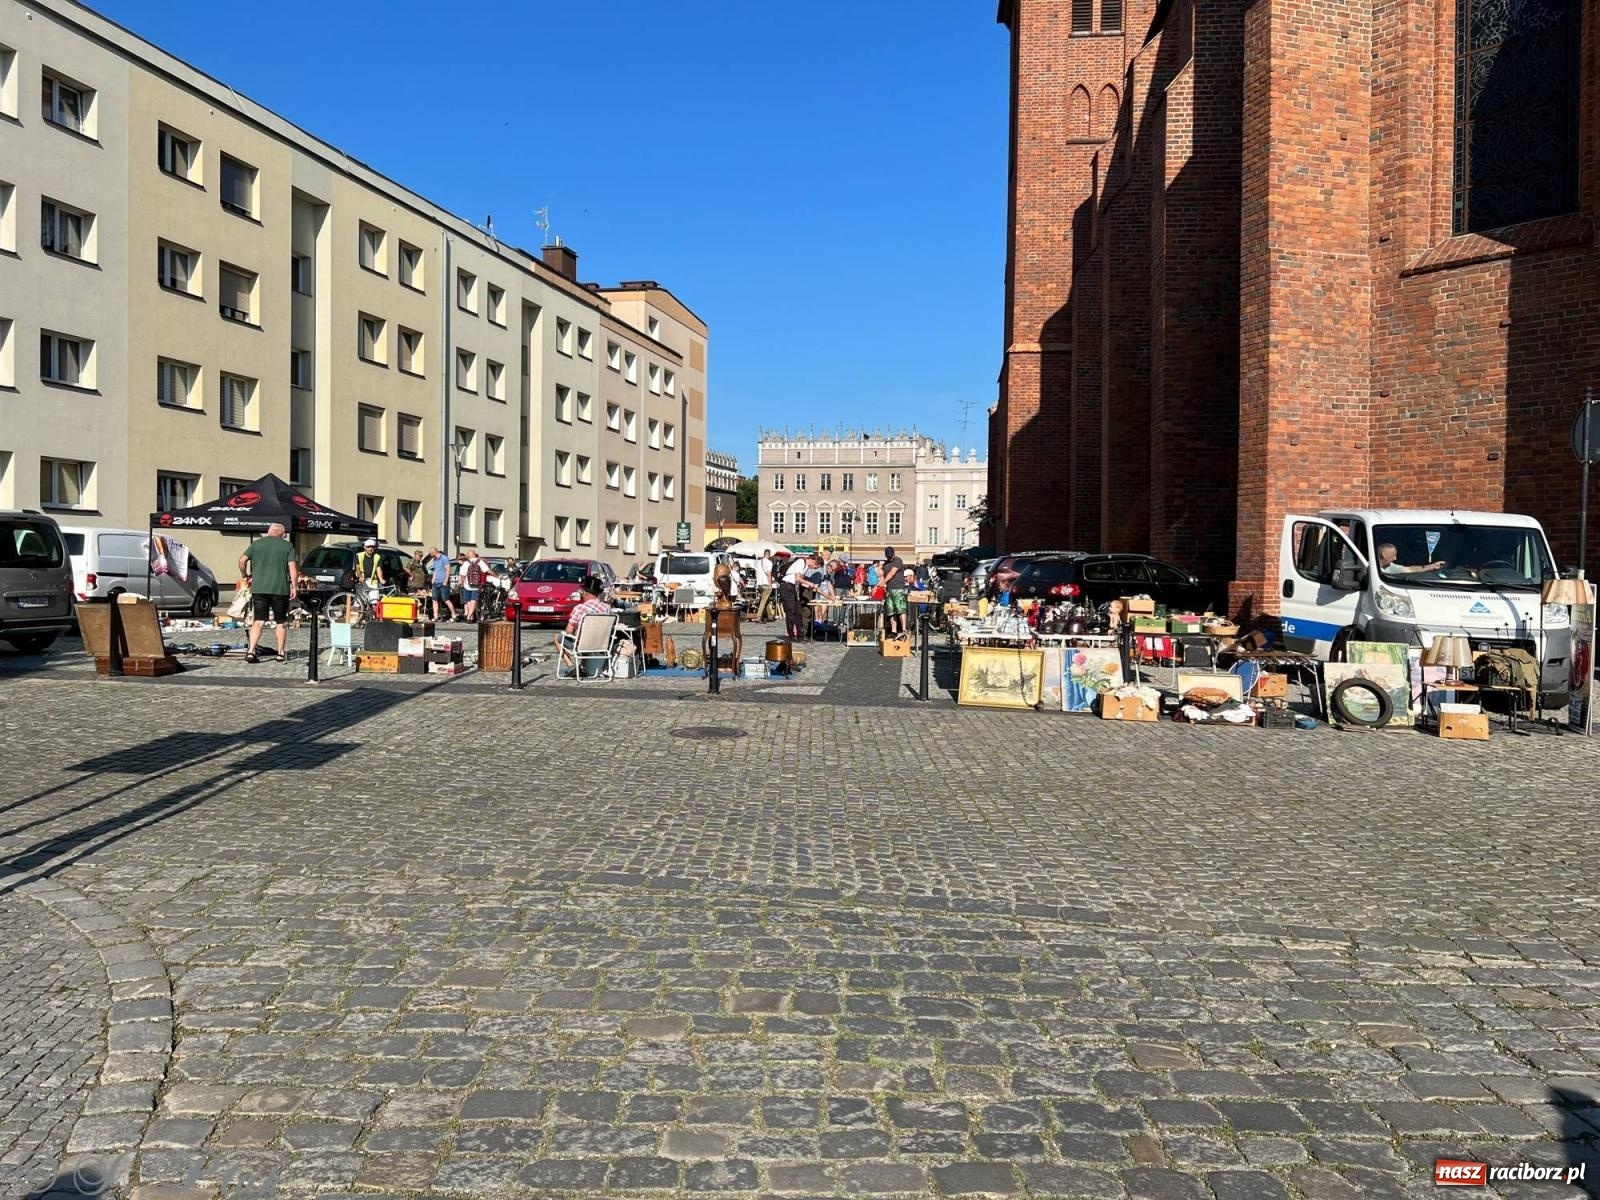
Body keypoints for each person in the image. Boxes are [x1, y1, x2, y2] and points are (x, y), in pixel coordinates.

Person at [238, 523, 299, 664]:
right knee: (280, 621)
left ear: (268, 531)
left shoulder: (257, 544)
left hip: (259, 588)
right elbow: (293, 568)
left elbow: (242, 560)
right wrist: (294, 586)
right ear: (283, 534)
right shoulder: (287, 546)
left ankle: (251, 651)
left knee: (258, 620)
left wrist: (244, 574)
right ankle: (280, 653)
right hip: (280, 589)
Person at [779, 551, 818, 640]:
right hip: (786, 585)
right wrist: (809, 583)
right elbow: (798, 578)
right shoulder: (801, 562)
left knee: (798, 611)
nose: (814, 568)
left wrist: (809, 586)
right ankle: (791, 634)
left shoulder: (806, 567)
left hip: (792, 587)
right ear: (813, 560)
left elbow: (800, 581)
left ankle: (800, 635)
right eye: (815, 566)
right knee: (791, 612)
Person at [881, 545, 909, 637]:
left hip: (898, 588)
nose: (890, 557)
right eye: (888, 556)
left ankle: (904, 629)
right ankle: (894, 631)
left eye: (891, 555)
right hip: (889, 589)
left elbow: (892, 573)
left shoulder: (898, 561)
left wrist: (883, 582)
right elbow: (884, 576)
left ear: (894, 553)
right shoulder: (885, 564)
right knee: (891, 610)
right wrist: (877, 586)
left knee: (900, 609)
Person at [353, 538, 389, 604]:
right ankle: (360, 613)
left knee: (374, 601)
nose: (370, 549)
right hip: (362, 581)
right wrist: (360, 577)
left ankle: (372, 614)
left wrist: (381, 579)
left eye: (372, 547)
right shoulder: (359, 555)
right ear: (365, 547)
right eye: (368, 547)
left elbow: (378, 569)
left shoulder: (377, 557)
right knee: (359, 602)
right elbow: (357, 567)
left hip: (373, 581)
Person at [461, 549, 493, 621]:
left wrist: (462, 583)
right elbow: (487, 570)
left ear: (468, 556)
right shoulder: (480, 562)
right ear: (474, 554)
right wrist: (496, 575)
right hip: (477, 585)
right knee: (473, 601)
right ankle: (470, 617)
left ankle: (470, 617)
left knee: (468, 602)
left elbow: (462, 575)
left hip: (467, 585)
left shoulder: (466, 563)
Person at [429, 547, 458, 623]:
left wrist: (446, 580)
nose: (430, 555)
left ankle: (454, 615)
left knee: (446, 600)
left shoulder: (444, 558)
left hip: (443, 582)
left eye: (431, 553)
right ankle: (435, 616)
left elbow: (448, 569)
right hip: (436, 582)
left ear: (434, 552)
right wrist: (433, 579)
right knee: (434, 600)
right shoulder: (434, 560)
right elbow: (435, 570)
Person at [1378, 542, 1444, 574]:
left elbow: (1410, 569)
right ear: (1384, 555)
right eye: (1393, 555)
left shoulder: (1390, 566)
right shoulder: (1369, 568)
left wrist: (1432, 566)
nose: (1395, 558)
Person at [753, 551, 776, 622]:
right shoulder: (769, 563)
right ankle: (758, 617)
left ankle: (770, 616)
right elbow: (769, 574)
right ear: (769, 555)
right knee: (763, 601)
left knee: (766, 599)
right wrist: (770, 584)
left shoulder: (758, 562)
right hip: (766, 583)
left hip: (759, 584)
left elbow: (756, 573)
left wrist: (758, 581)